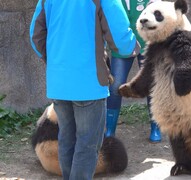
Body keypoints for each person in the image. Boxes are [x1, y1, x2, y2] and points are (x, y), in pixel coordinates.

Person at [30, 0, 140, 179]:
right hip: (89, 83)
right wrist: (132, 47)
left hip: (59, 83)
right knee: (87, 144)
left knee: (66, 139)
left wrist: (56, 61)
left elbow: (36, 35)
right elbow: (119, 35)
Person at [105, 0, 162, 143]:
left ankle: (156, 127)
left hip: (148, 42)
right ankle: (109, 130)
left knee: (152, 84)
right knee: (115, 85)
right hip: (122, 43)